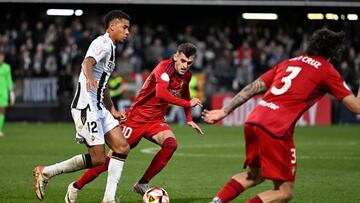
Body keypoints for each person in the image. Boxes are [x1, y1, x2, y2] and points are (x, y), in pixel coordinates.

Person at [203, 28, 360, 203]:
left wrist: (225, 111)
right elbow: (356, 107)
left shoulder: (289, 63)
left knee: (254, 176)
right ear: (334, 52)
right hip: (276, 128)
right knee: (284, 192)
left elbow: (253, 87)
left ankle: (216, 201)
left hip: (254, 120)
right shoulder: (326, 70)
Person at [64, 42, 204, 203]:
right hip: (136, 119)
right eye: (183, 61)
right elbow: (162, 94)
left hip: (155, 120)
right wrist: (188, 105)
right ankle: (75, 186)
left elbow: (185, 93)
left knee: (171, 144)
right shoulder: (164, 68)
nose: (185, 66)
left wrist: (189, 119)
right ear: (175, 57)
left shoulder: (186, 75)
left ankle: (142, 183)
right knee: (108, 161)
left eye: (189, 63)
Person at [33, 10, 131, 203]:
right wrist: (91, 77)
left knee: (122, 147)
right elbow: (86, 62)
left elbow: (103, 86)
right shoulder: (102, 43)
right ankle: (46, 172)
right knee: (98, 160)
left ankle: (109, 199)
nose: (128, 32)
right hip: (86, 107)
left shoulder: (111, 48)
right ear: (112, 26)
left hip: (100, 107)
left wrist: (112, 109)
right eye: (124, 27)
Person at [0, 52, 15, 136]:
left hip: (3, 92)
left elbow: (9, 80)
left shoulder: (7, 67)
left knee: (1, 110)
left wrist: (12, 94)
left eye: (1, 57)